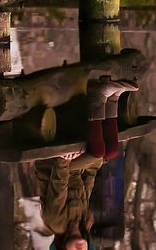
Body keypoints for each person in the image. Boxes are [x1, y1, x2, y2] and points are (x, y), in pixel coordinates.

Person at [35, 78, 137, 250]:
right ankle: (112, 99)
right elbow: (88, 181)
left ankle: (98, 96)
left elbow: (57, 185)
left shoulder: (56, 222)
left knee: (98, 153)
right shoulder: (85, 220)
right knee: (110, 152)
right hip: (73, 168)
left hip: (52, 166)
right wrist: (95, 164)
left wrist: (63, 160)